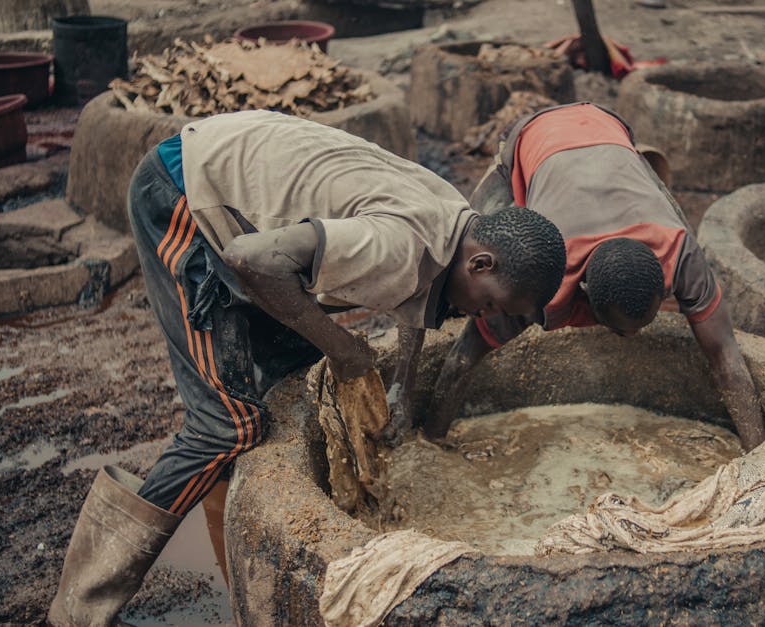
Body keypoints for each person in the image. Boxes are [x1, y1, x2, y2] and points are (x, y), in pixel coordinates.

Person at [48, 110, 566, 626]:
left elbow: (396, 284)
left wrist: (381, 376)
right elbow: (252, 259)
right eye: (495, 305)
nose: (487, 318)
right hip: (184, 194)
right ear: (480, 265)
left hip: (242, 183)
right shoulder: (398, 247)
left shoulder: (457, 219)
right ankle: (78, 608)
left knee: (297, 391)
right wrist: (342, 348)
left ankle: (227, 522)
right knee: (227, 425)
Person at [410, 102, 765, 451]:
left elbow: (726, 359)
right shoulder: (540, 282)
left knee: (669, 211)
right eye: (617, 328)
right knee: (471, 255)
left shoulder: (681, 253)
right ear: (583, 292)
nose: (629, 338)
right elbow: (464, 357)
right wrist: (431, 440)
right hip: (534, 136)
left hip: (607, 128)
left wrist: (759, 456)